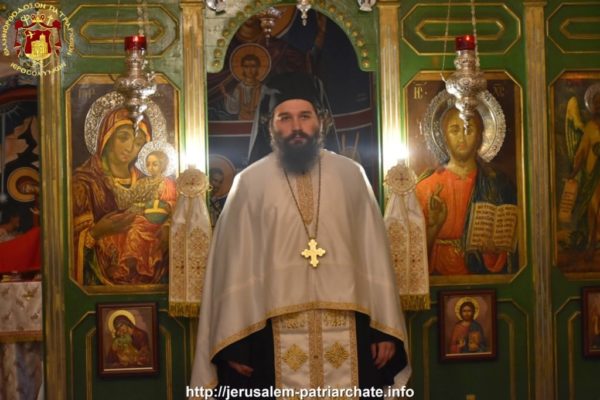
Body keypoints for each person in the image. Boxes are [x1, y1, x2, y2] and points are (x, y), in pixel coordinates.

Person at [190, 73, 410, 397]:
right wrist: (235, 344)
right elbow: (232, 265)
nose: (296, 126)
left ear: (320, 122)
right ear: (271, 126)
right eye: (285, 118)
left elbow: (374, 257)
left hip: (351, 326)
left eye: (305, 116)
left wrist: (384, 331)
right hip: (268, 333)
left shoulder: (351, 176)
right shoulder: (250, 183)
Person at [72, 108, 169, 285]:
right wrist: (97, 232)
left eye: (138, 143)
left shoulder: (147, 181)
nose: (130, 148)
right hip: (100, 278)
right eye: (123, 138)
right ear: (106, 137)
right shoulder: (85, 182)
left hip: (147, 271)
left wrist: (165, 229)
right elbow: (69, 239)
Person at [415, 107, 517, 275]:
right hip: (438, 275)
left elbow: (513, 247)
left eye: (469, 130)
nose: (462, 137)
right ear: (444, 137)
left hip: (482, 275)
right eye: (454, 130)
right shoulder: (426, 187)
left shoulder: (497, 185)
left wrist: (493, 250)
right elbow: (413, 256)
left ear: (479, 137)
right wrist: (434, 228)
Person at [569, 85, 600, 259]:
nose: (599, 106)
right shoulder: (589, 128)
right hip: (592, 178)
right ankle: (591, 242)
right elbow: (581, 152)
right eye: (596, 103)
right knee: (593, 208)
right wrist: (574, 172)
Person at [221, 53, 264, 120]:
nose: (250, 70)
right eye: (246, 66)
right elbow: (235, 106)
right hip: (242, 118)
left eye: (253, 66)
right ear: (243, 68)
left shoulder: (262, 87)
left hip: (258, 119)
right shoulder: (239, 87)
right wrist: (225, 95)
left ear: (257, 67)